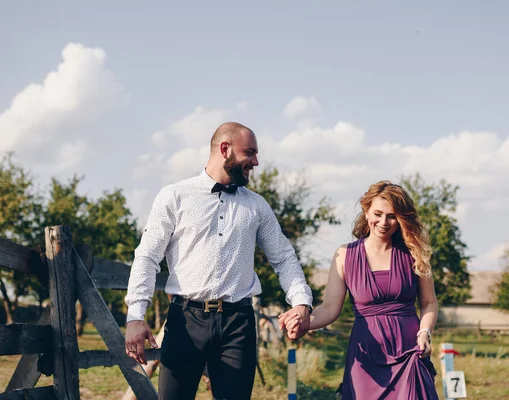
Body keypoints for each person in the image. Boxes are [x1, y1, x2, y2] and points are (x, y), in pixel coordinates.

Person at [124, 122, 313, 400]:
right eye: (249, 153)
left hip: (238, 324)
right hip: (185, 320)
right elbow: (147, 257)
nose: (256, 162)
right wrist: (135, 315)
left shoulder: (257, 206)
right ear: (225, 150)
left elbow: (284, 257)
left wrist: (300, 301)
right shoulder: (174, 196)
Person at [281, 181, 439, 399]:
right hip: (366, 357)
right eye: (378, 213)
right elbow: (329, 308)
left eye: (392, 216)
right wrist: (304, 323)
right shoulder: (345, 256)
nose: (384, 222)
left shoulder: (414, 254)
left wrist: (425, 332)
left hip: (409, 352)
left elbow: (429, 303)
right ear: (366, 212)